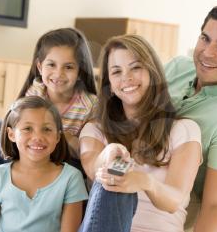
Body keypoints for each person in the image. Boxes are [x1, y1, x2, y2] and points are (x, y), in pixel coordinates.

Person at [79, 2, 217, 232]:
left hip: (168, 204)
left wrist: (145, 182)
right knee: (112, 178)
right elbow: (130, 96)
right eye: (205, 38)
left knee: (116, 181)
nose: (207, 52)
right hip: (111, 204)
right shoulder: (179, 67)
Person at [0, 27, 97, 232]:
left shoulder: (89, 104)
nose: (58, 73)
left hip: (60, 155)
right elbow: (17, 121)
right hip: (31, 148)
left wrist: (63, 136)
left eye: (68, 67)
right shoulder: (37, 90)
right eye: (52, 65)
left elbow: (87, 149)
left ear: (80, 71)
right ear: (40, 67)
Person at [78, 34, 202, 232]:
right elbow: (93, 167)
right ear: (109, 85)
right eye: (116, 72)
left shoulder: (183, 130)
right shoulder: (94, 129)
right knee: (111, 176)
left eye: (135, 67)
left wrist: (145, 182)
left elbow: (174, 200)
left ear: (152, 73)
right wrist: (108, 154)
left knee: (117, 177)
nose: (126, 78)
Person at [0, 96, 88, 232]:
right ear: (11, 134)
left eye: (46, 129)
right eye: (27, 128)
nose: (38, 137)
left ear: (58, 137)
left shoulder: (71, 178)